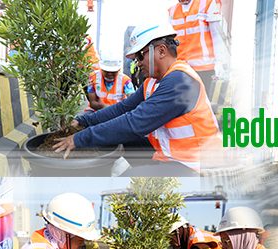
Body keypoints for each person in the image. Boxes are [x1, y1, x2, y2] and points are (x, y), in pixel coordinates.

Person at [53, 22, 220, 175]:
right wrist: (82, 122)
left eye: (140, 56)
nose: (138, 63)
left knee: (126, 183)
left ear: (161, 51)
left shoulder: (180, 82)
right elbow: (122, 108)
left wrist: (79, 139)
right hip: (169, 154)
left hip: (196, 164)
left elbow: (134, 123)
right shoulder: (152, 82)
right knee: (122, 140)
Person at [168, 0, 229, 97]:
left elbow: (216, 35)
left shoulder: (207, 4)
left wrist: (220, 62)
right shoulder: (172, 11)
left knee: (204, 101)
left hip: (204, 68)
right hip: (182, 69)